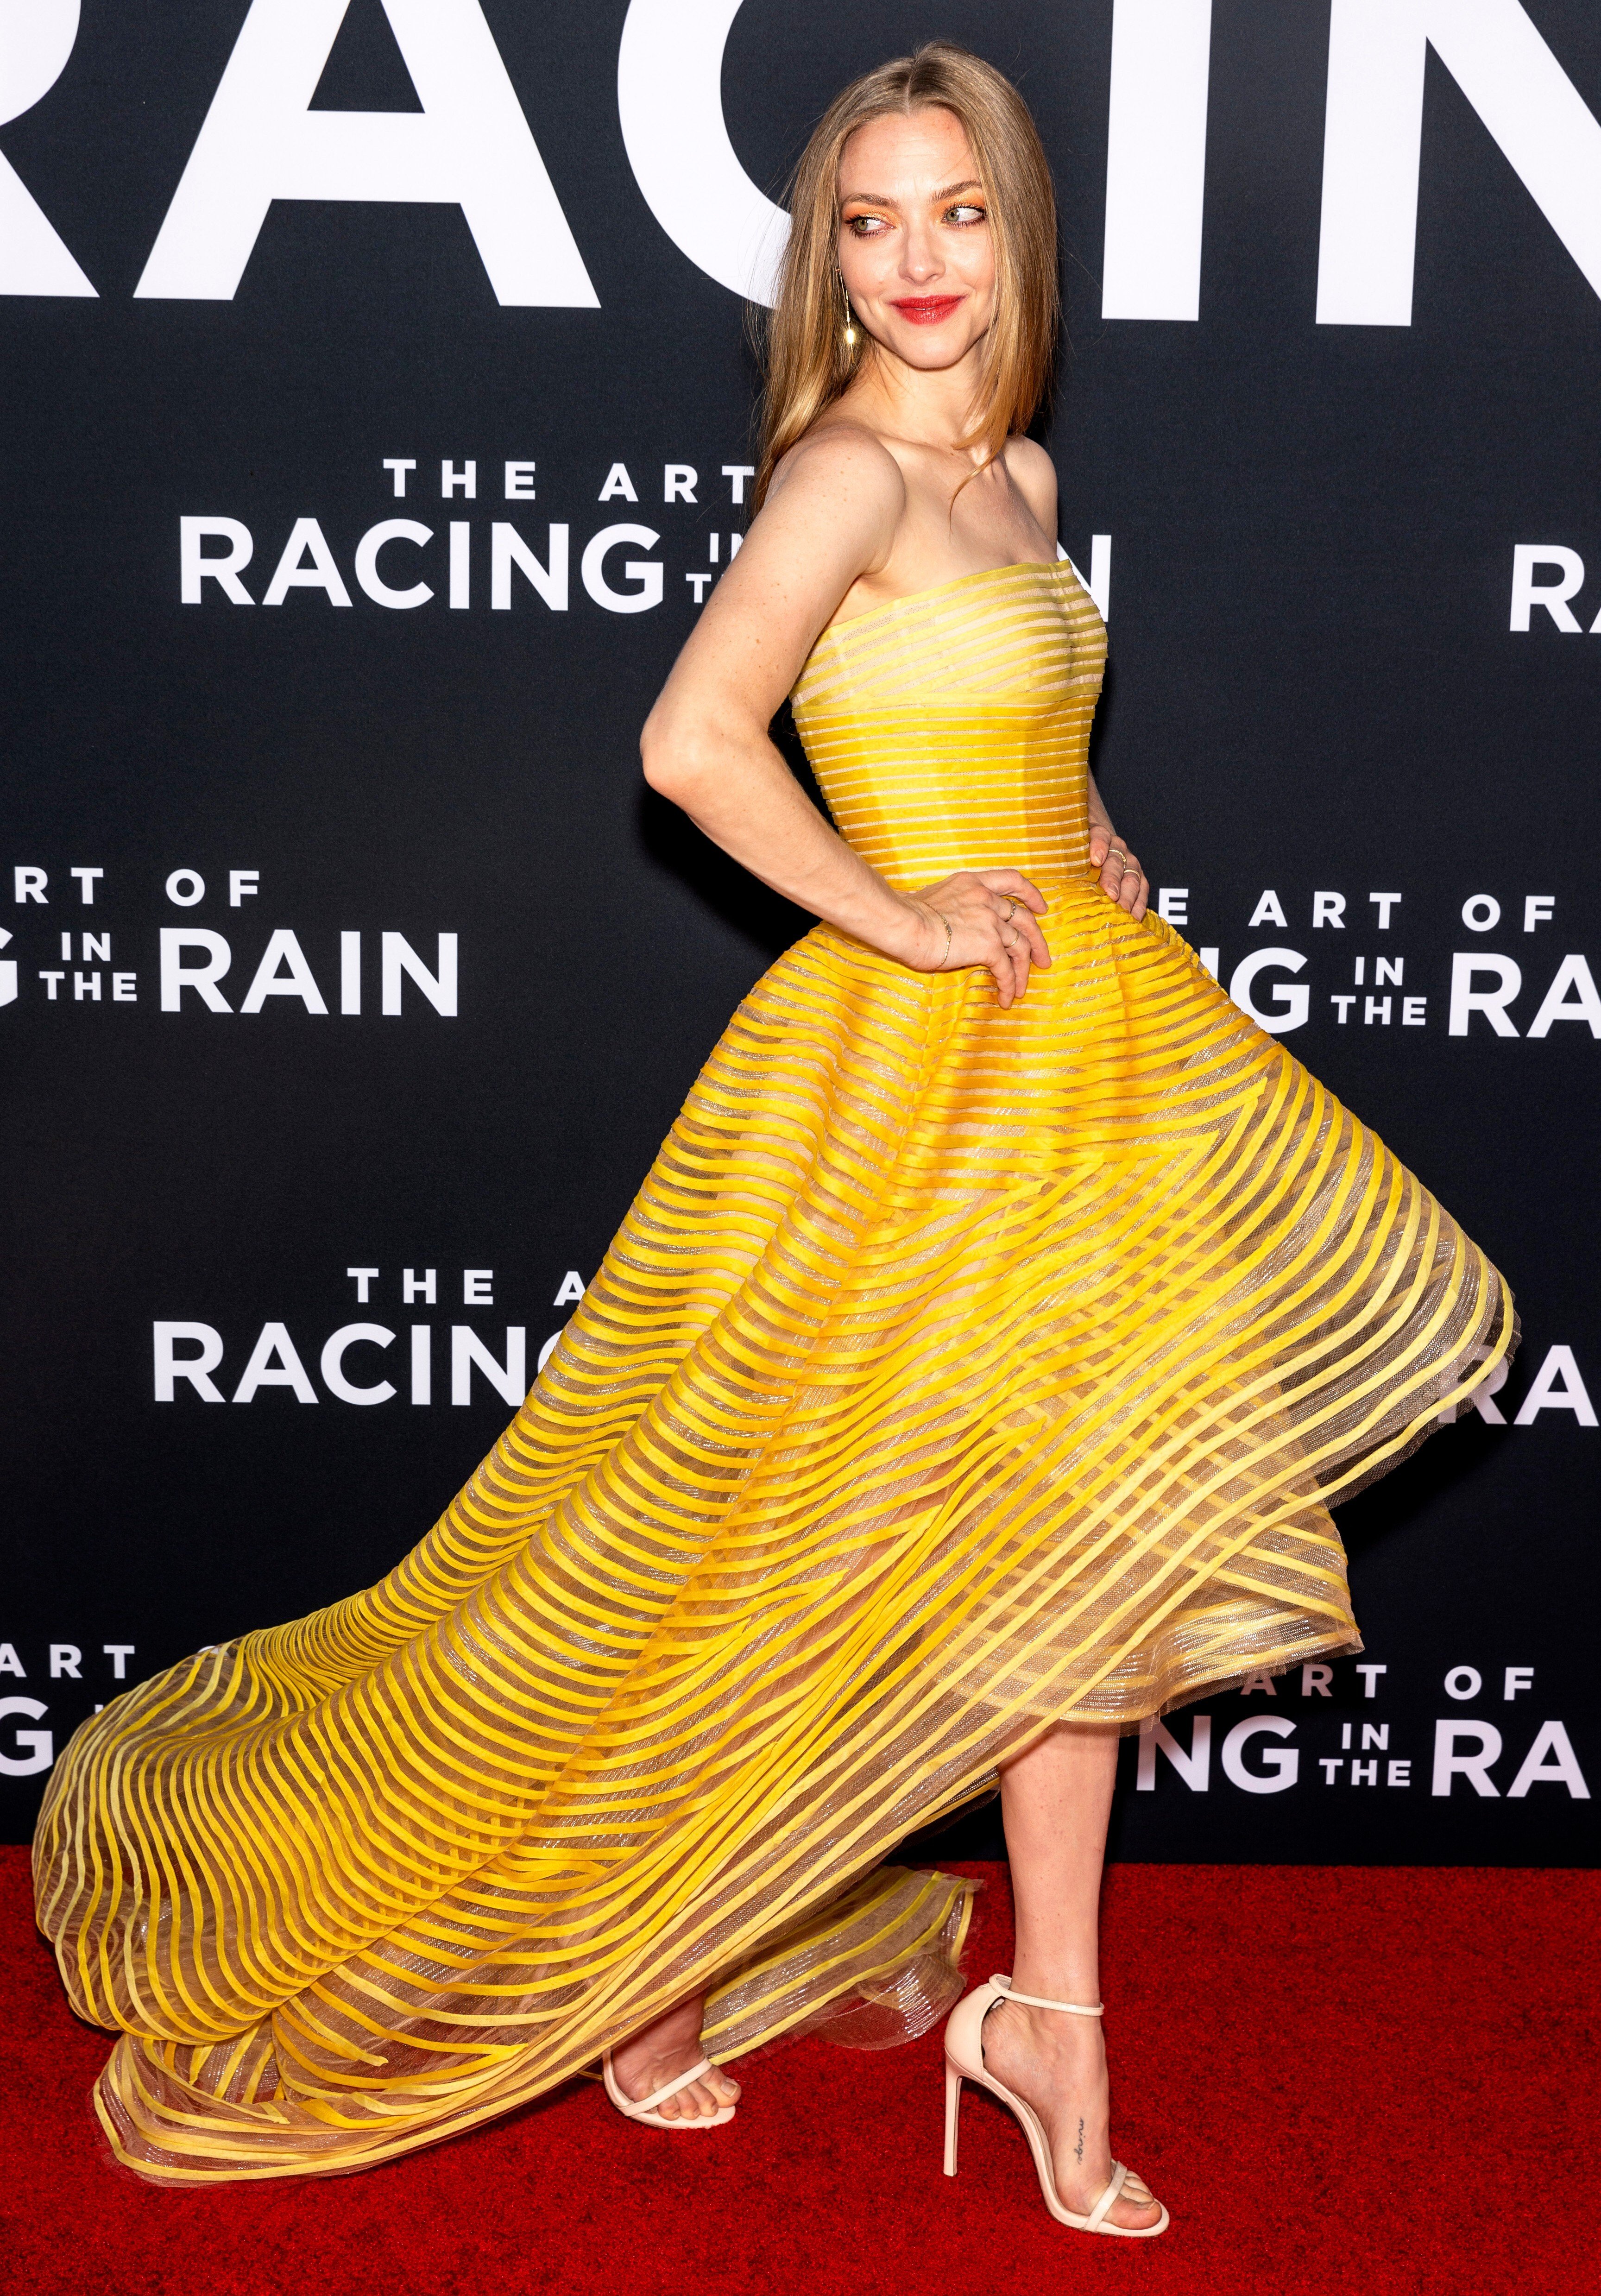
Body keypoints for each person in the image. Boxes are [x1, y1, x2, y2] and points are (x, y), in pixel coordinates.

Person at [36, 42, 1512, 2236]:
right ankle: (654, 1936)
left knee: (1068, 1580)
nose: (917, 264)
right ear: (827, 256)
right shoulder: (845, 476)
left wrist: (1113, 880)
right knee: (768, 1560)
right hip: (902, 1088)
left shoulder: (1006, 469)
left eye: (959, 214)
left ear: (1017, 231)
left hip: (1072, 1072)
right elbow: (691, 741)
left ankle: (1053, 2026)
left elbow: (1025, 740)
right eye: (869, 222)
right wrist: (903, 910)